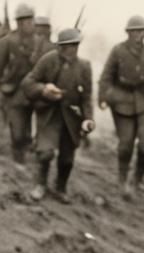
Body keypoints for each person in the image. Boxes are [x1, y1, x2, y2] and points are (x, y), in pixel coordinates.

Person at [98, 15, 144, 197]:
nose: (139, 35)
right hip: (122, 101)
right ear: (128, 33)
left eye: (142, 32)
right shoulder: (118, 51)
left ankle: (137, 180)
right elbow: (106, 75)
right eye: (135, 31)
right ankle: (122, 180)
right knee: (126, 144)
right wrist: (103, 96)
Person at [21, 27, 94, 203]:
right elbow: (28, 83)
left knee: (67, 159)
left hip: (71, 118)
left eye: (76, 45)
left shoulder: (84, 67)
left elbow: (87, 97)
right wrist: (44, 89)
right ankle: (40, 185)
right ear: (60, 47)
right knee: (45, 153)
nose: (73, 49)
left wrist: (88, 119)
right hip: (50, 114)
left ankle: (60, 188)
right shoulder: (48, 60)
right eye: (69, 46)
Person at [0, 3, 44, 164]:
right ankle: (17, 158)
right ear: (19, 23)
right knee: (17, 131)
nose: (31, 24)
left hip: (33, 92)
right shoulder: (7, 42)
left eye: (32, 20)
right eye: (27, 21)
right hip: (13, 91)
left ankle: (23, 155)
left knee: (27, 130)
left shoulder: (39, 42)